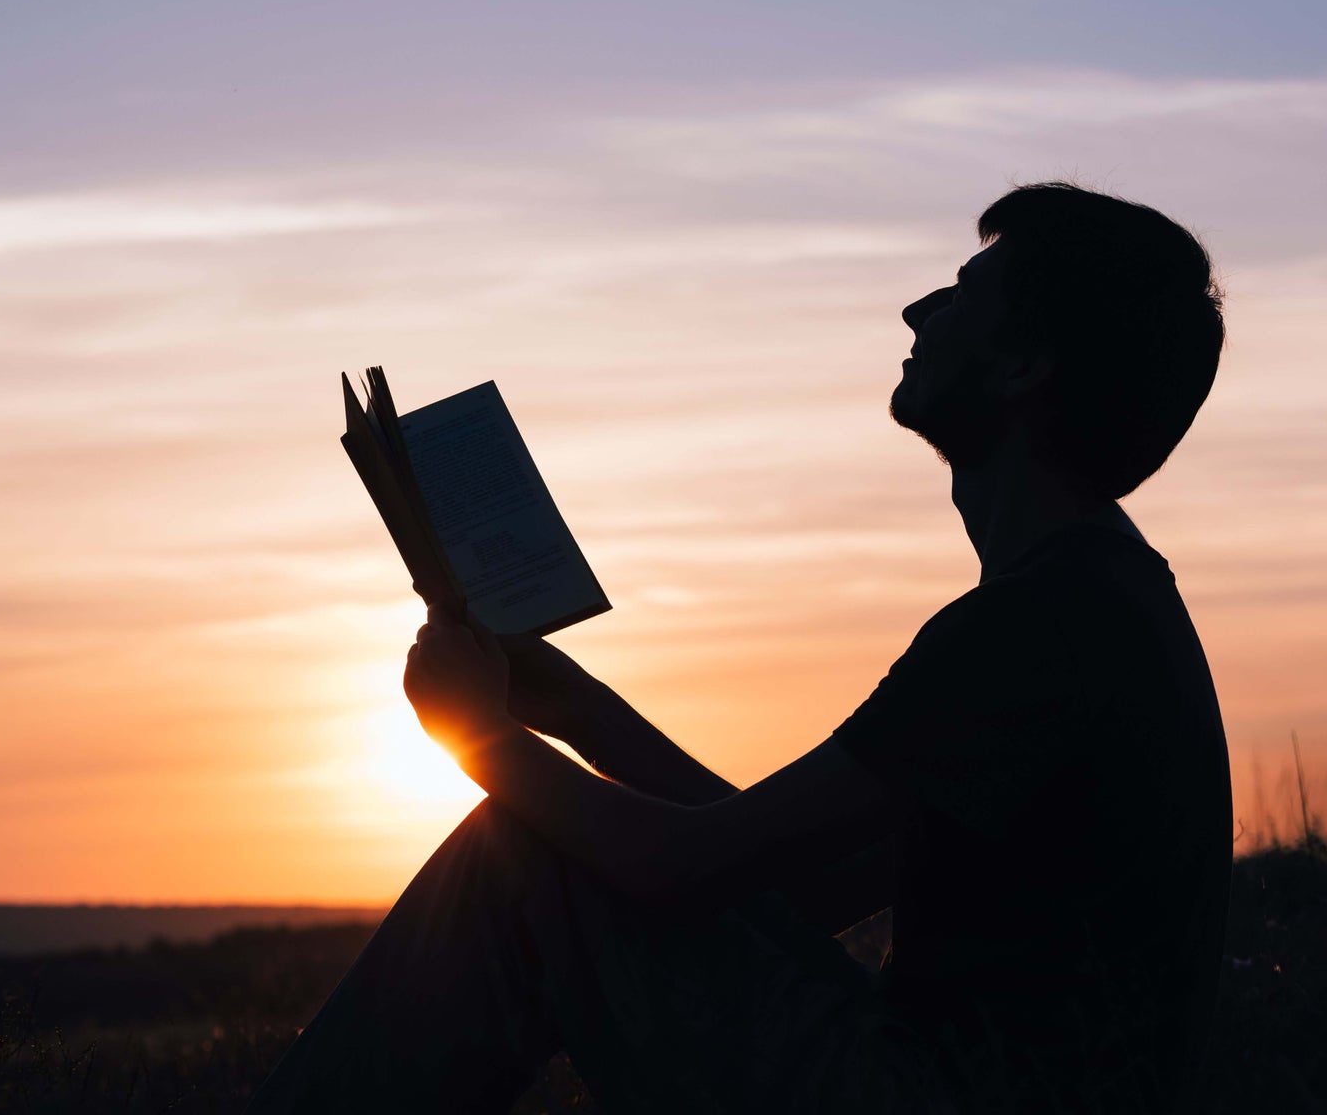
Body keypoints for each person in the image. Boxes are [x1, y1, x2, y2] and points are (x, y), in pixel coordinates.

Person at [248, 181, 1233, 1115]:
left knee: (521, 858)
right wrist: (573, 706)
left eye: (965, 292)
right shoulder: (1092, 604)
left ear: (1025, 367)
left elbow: (684, 870)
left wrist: (485, 742)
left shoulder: (1041, 628)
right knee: (542, 852)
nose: (916, 309)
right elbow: (781, 881)